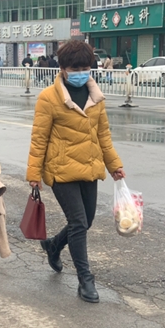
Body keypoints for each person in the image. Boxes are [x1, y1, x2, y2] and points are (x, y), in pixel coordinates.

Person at [26, 40, 125, 303]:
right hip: (60, 170)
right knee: (79, 223)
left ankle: (53, 245)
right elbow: (39, 139)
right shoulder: (49, 97)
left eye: (85, 67)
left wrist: (114, 165)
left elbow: (103, 135)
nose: (81, 72)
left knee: (85, 221)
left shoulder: (96, 97)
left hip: (89, 168)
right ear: (62, 68)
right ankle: (85, 280)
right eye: (75, 68)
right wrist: (34, 175)